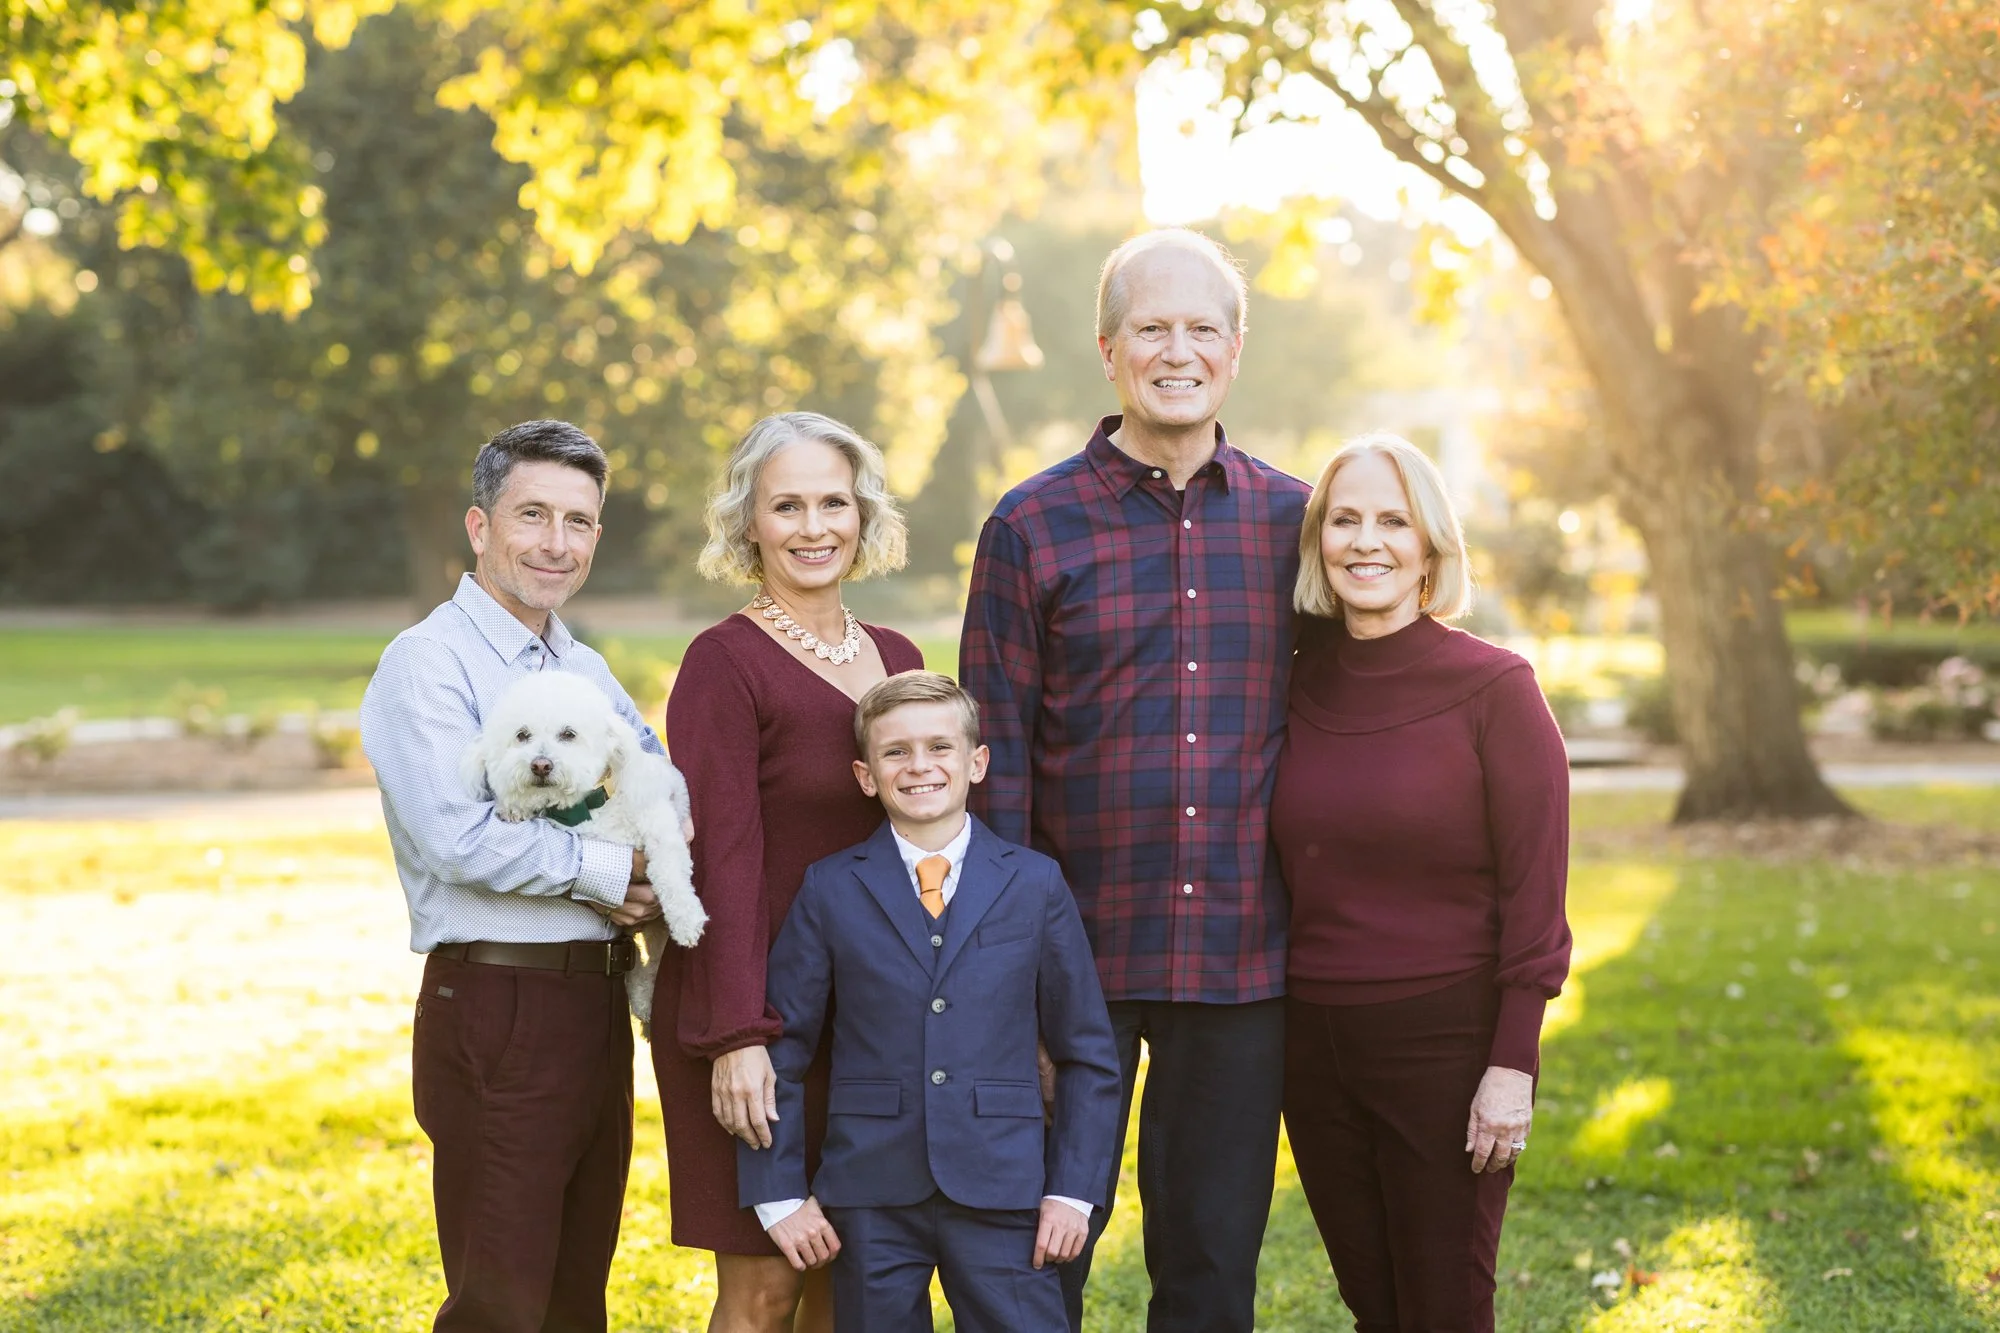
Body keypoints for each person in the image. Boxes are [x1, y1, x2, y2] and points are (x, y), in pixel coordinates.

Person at [959, 227, 1310, 1332]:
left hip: (1238, 956)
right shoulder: (1029, 524)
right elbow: (992, 764)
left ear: (1235, 349)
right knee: (1033, 1250)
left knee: (1211, 1266)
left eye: (1200, 327)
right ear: (1107, 350)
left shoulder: (1292, 521)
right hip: (1073, 960)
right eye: (1151, 328)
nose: (1176, 350)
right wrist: (1003, 965)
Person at [360, 419, 666, 1333]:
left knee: (577, 1295)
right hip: (499, 1002)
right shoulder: (429, 662)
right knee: (501, 1300)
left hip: (596, 1007)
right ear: (480, 525)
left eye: (578, 521)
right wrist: (612, 868)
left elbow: (650, 776)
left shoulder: (584, 666)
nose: (556, 542)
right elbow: (460, 837)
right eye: (532, 514)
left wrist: (649, 861)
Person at [1271, 433, 1573, 1332]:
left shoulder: (1496, 689)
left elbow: (1537, 898)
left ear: (1431, 546)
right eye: (1345, 518)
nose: (1367, 541)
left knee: (1442, 1308)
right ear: (1318, 538)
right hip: (1308, 1044)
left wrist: (1511, 1065)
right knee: (1374, 1304)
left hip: (1443, 1043)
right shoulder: (1290, 683)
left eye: (1393, 520)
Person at [737, 671, 1123, 1332]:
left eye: (939, 747)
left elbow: (1088, 1054)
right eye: (895, 751)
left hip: (1007, 1187)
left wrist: (1072, 1191)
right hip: (870, 1192)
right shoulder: (830, 887)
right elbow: (785, 1052)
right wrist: (778, 1194)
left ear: (976, 761)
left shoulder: (1034, 882)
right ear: (865, 774)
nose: (919, 766)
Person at [657, 411, 923, 1333]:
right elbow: (715, 856)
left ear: (864, 513)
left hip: (874, 1020)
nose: (815, 527)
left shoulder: (899, 659)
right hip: (755, 1015)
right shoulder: (721, 663)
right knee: (766, 1282)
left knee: (848, 1281)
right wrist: (736, 1037)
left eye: (834, 502)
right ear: (749, 523)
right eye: (787, 506)